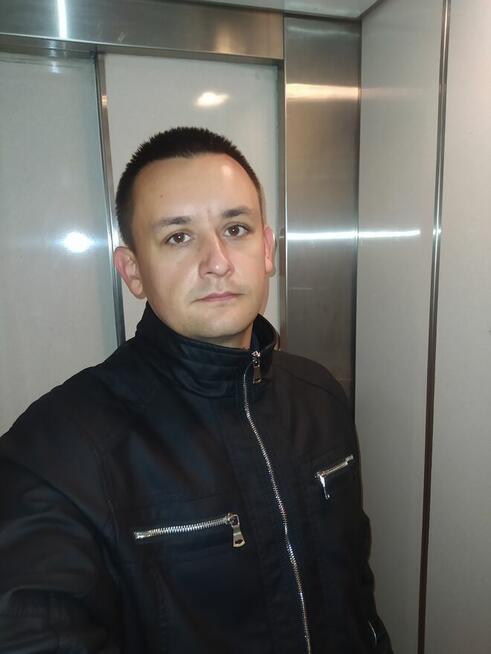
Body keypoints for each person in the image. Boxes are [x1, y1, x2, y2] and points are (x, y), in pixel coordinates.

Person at [0, 127, 392, 653]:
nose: (218, 262)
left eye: (236, 228)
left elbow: (356, 594)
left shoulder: (318, 397)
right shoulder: (58, 451)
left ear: (267, 250)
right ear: (133, 271)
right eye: (178, 237)